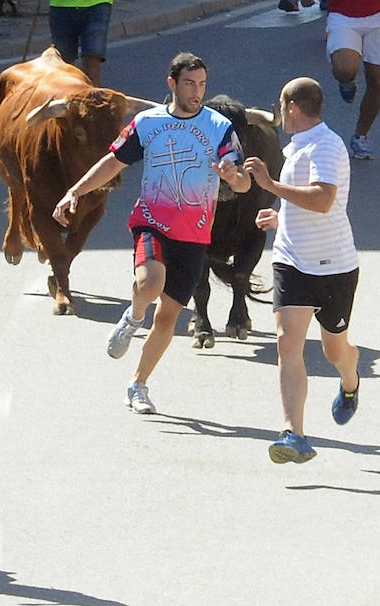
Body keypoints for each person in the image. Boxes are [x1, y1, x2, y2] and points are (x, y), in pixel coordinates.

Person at [53, 52, 250, 415]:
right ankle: (133, 315)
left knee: (168, 317)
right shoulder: (148, 122)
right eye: (189, 84)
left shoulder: (220, 127)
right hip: (152, 220)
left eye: (202, 84)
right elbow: (113, 162)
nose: (196, 92)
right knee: (150, 283)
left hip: (194, 234)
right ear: (172, 83)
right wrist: (74, 192)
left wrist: (233, 177)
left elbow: (243, 182)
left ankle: (138, 384)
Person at [244, 77, 359, 464]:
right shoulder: (293, 148)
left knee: (334, 350)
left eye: (282, 105)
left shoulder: (327, 145)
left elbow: (324, 200)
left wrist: (270, 185)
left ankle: (350, 380)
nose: (280, 113)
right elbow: (304, 203)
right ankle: (294, 434)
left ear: (292, 106)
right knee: (287, 343)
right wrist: (281, 219)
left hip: (334, 267)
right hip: (291, 260)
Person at [325, 0, 380, 159]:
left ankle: (360, 136)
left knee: (378, 81)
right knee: (345, 69)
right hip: (344, 15)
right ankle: (347, 80)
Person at [49, 0, 113, 86]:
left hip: (97, 5)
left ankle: (92, 93)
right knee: (65, 69)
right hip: (61, 6)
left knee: (92, 61)